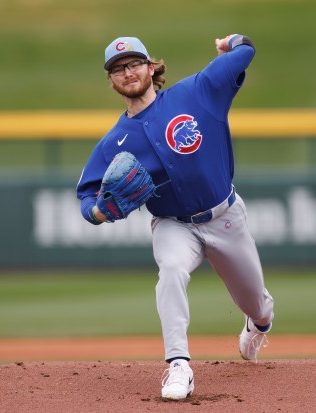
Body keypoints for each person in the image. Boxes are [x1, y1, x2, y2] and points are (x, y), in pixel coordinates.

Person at [76, 34, 275, 400]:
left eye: (134, 63)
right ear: (111, 81)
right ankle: (179, 365)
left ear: (152, 67)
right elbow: (86, 197)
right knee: (170, 269)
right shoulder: (113, 142)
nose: (128, 72)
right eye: (118, 69)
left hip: (225, 216)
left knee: (257, 305)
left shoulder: (196, 93)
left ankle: (258, 323)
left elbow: (246, 50)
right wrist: (100, 211)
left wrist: (230, 42)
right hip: (172, 224)